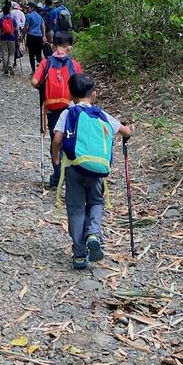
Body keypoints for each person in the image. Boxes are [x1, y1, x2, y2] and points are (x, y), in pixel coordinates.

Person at [52, 72, 133, 270]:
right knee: (96, 201)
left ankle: (79, 254)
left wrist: (55, 157)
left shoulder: (67, 113)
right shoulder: (101, 114)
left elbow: (57, 139)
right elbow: (126, 132)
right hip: (96, 170)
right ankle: (94, 233)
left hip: (73, 167)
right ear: (94, 94)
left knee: (76, 208)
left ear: (70, 95)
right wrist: (129, 129)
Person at [31, 31, 82, 187]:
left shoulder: (46, 63)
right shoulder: (74, 64)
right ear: (70, 47)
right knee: (72, 140)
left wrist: (41, 85)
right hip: (71, 109)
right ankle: (73, 176)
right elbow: (81, 84)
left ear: (53, 45)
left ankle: (58, 175)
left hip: (53, 110)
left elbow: (34, 81)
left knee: (56, 142)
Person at [0, 1, 18, 76]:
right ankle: (10, 64)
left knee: (4, 53)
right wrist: (17, 36)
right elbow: (16, 29)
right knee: (11, 53)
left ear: (3, 12)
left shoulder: (1, 20)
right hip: (12, 38)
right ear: (9, 11)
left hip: (3, 38)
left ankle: (5, 69)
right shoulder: (12, 20)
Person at [23, 1, 46, 72]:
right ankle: (39, 70)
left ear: (32, 8)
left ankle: (33, 70)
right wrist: (44, 35)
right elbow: (43, 25)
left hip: (31, 36)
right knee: (39, 53)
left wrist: (23, 34)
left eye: (28, 7)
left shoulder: (28, 16)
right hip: (39, 37)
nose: (27, 9)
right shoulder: (39, 16)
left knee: (31, 54)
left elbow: (26, 26)